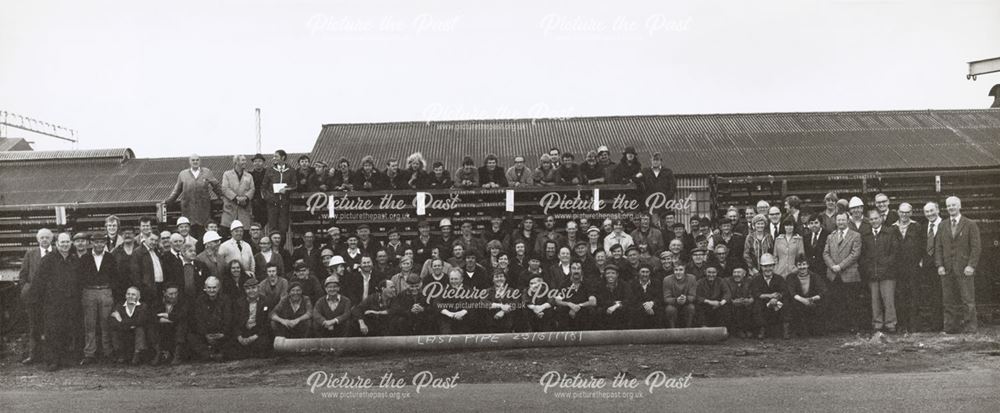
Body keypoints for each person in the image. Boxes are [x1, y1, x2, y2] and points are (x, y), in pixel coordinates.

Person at [30, 232, 80, 371]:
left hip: (69, 303)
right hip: (52, 303)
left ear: (71, 243)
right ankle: (52, 361)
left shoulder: (74, 260)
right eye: (62, 242)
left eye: (67, 242)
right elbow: (38, 282)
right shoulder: (48, 259)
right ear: (57, 244)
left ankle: (63, 359)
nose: (65, 244)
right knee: (52, 332)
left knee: (66, 330)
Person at [935, 196, 981, 334]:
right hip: (947, 268)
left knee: (968, 300)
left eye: (954, 205)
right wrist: (940, 265)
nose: (951, 208)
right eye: (948, 206)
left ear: (959, 206)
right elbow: (938, 247)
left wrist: (971, 265)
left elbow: (976, 247)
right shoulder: (942, 225)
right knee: (948, 300)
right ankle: (950, 328)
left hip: (964, 268)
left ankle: (970, 328)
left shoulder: (970, 224)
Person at [163, 154, 224, 239]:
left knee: (203, 235)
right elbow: (177, 190)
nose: (195, 162)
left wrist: (222, 197)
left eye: (197, 160)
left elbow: (216, 185)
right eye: (193, 160)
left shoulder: (206, 172)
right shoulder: (183, 174)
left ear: (200, 161)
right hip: (188, 210)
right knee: (190, 235)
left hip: (204, 211)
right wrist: (168, 201)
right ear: (189, 162)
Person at [79, 233, 118, 364]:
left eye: (102, 242)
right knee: (89, 324)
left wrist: (108, 289)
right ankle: (90, 353)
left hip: (105, 291)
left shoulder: (110, 257)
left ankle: (107, 352)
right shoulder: (85, 258)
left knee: (106, 323)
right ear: (92, 243)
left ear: (105, 244)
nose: (99, 245)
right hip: (89, 291)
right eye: (96, 242)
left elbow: (115, 276)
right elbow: (80, 276)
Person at [823, 212, 864, 333]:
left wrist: (840, 266)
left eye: (843, 220)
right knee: (836, 301)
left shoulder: (855, 236)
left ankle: (853, 326)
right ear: (836, 222)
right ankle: (839, 326)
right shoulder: (831, 236)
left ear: (848, 221)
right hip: (833, 274)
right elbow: (825, 253)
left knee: (851, 302)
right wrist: (832, 266)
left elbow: (855, 254)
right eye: (839, 220)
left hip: (849, 274)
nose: (841, 222)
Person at [17, 228, 52, 365]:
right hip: (34, 297)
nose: (44, 240)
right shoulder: (31, 254)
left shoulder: (55, 253)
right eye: (42, 237)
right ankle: (33, 355)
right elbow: (23, 275)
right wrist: (27, 289)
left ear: (51, 239)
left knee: (50, 327)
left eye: (47, 237)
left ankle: (49, 356)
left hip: (51, 298)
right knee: (34, 327)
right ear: (38, 239)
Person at [861, 209, 899, 333]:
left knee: (888, 300)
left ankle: (890, 324)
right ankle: (877, 323)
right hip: (872, 273)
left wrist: (886, 265)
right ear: (868, 221)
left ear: (881, 218)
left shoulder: (890, 232)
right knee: (875, 300)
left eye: (876, 218)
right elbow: (864, 255)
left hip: (887, 273)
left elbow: (895, 252)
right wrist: (869, 268)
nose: (874, 221)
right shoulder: (866, 236)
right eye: (871, 219)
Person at [889, 202, 923, 334]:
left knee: (914, 295)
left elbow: (922, 245)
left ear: (911, 213)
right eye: (902, 212)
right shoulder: (892, 228)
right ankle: (902, 324)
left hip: (913, 267)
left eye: (907, 212)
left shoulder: (916, 226)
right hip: (897, 268)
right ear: (898, 212)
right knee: (900, 296)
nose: (904, 215)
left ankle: (914, 325)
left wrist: (920, 261)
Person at [188, 277, 233, 361]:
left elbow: (228, 318)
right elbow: (199, 320)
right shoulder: (199, 300)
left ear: (219, 287)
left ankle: (220, 353)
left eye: (214, 287)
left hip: (221, 334)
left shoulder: (225, 299)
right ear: (205, 288)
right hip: (206, 335)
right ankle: (211, 355)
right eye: (209, 288)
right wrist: (206, 335)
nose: (211, 290)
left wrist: (223, 333)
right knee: (191, 337)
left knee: (233, 336)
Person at [786, 256, 827, 337]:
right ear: (796, 266)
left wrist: (812, 299)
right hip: (798, 303)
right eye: (799, 265)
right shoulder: (791, 277)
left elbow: (823, 291)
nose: (802, 267)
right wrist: (803, 300)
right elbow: (792, 292)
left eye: (804, 264)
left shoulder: (815, 276)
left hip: (812, 302)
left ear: (808, 265)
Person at [750, 253, 788, 339]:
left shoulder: (779, 278)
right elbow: (756, 293)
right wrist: (769, 296)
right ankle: (761, 329)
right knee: (756, 304)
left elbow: (784, 291)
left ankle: (786, 329)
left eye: (770, 266)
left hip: (777, 304)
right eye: (765, 266)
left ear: (774, 266)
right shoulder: (756, 279)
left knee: (786, 301)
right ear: (761, 267)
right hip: (764, 305)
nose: (768, 269)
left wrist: (776, 297)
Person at [232, 277, 272, 359]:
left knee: (264, 345)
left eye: (254, 288)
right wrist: (239, 337)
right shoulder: (239, 302)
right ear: (245, 290)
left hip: (258, 332)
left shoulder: (266, 301)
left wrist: (254, 336)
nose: (251, 291)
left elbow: (267, 323)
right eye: (248, 289)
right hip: (244, 331)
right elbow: (234, 322)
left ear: (258, 288)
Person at [109, 287, 151, 365]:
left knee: (139, 329)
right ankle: (121, 354)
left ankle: (137, 355)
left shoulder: (143, 306)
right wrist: (130, 325)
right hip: (123, 333)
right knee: (115, 331)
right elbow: (113, 323)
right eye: (128, 294)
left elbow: (140, 321)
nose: (130, 296)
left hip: (136, 334)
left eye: (133, 294)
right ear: (125, 295)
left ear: (139, 297)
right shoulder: (119, 306)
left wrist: (120, 320)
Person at [920, 202, 944, 331]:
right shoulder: (923, 227)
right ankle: (935, 324)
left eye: (932, 211)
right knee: (932, 295)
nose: (929, 214)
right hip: (928, 267)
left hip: (943, 266)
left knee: (943, 294)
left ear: (938, 210)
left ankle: (944, 324)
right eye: (927, 212)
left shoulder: (945, 224)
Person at [261, 149, 298, 235]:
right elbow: (263, 187)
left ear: (283, 157)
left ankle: (281, 248)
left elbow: (295, 185)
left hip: (284, 204)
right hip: (272, 204)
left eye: (276, 156)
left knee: (283, 228)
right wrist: (268, 198)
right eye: (274, 156)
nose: (274, 158)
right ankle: (274, 248)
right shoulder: (270, 170)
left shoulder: (291, 170)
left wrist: (286, 189)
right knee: (273, 228)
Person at [149, 284, 188, 366]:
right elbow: (152, 315)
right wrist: (160, 320)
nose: (173, 296)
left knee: (182, 324)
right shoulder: (158, 303)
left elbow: (183, 315)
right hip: (162, 331)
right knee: (152, 326)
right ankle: (158, 353)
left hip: (177, 331)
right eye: (170, 294)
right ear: (164, 293)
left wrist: (167, 316)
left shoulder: (183, 302)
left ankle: (178, 355)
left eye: (176, 293)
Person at [221, 154, 256, 230]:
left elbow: (252, 189)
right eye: (243, 160)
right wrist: (236, 198)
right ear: (236, 162)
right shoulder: (227, 174)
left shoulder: (249, 176)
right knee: (227, 232)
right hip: (230, 210)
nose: (245, 162)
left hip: (244, 209)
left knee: (244, 233)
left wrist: (245, 198)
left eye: (245, 160)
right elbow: (225, 188)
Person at [725, 267, 760, 338]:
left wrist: (751, 299)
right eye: (734, 272)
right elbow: (726, 293)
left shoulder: (749, 281)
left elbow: (753, 292)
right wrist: (732, 301)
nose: (736, 274)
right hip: (732, 304)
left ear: (744, 274)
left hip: (746, 303)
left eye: (739, 272)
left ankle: (748, 329)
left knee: (753, 306)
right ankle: (738, 330)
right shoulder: (727, 281)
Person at [436, 269, 473, 334]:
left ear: (461, 279)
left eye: (456, 279)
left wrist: (463, 312)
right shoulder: (444, 290)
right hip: (447, 321)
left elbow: (474, 303)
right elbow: (436, 303)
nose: (453, 281)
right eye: (452, 279)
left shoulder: (469, 291)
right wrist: (450, 314)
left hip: (464, 321)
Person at [628, 265, 663, 329]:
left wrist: (651, 303)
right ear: (638, 273)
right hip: (638, 308)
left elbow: (659, 297)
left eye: (647, 272)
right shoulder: (632, 283)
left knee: (659, 312)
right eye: (643, 272)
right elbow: (632, 299)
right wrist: (645, 306)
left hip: (653, 308)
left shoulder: (657, 283)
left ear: (650, 273)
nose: (645, 274)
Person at [662, 264, 696, 328]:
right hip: (673, 304)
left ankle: (688, 329)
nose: (678, 272)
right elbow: (666, 298)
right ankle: (673, 330)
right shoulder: (667, 279)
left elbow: (693, 296)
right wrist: (676, 300)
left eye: (681, 270)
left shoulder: (692, 278)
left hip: (686, 303)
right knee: (670, 309)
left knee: (691, 307)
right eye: (676, 270)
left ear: (685, 271)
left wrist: (686, 299)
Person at [249, 153, 269, 228]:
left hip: (266, 201)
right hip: (255, 201)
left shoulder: (268, 173)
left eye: (260, 161)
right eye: (255, 161)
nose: (257, 163)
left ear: (263, 163)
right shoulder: (250, 175)